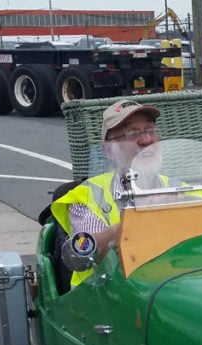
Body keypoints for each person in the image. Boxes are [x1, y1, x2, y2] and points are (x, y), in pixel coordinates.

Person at [50, 98, 164, 286]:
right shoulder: (88, 195)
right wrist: (130, 227)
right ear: (108, 150)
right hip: (104, 300)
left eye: (150, 130)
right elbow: (83, 256)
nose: (146, 140)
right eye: (132, 133)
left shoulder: (181, 188)